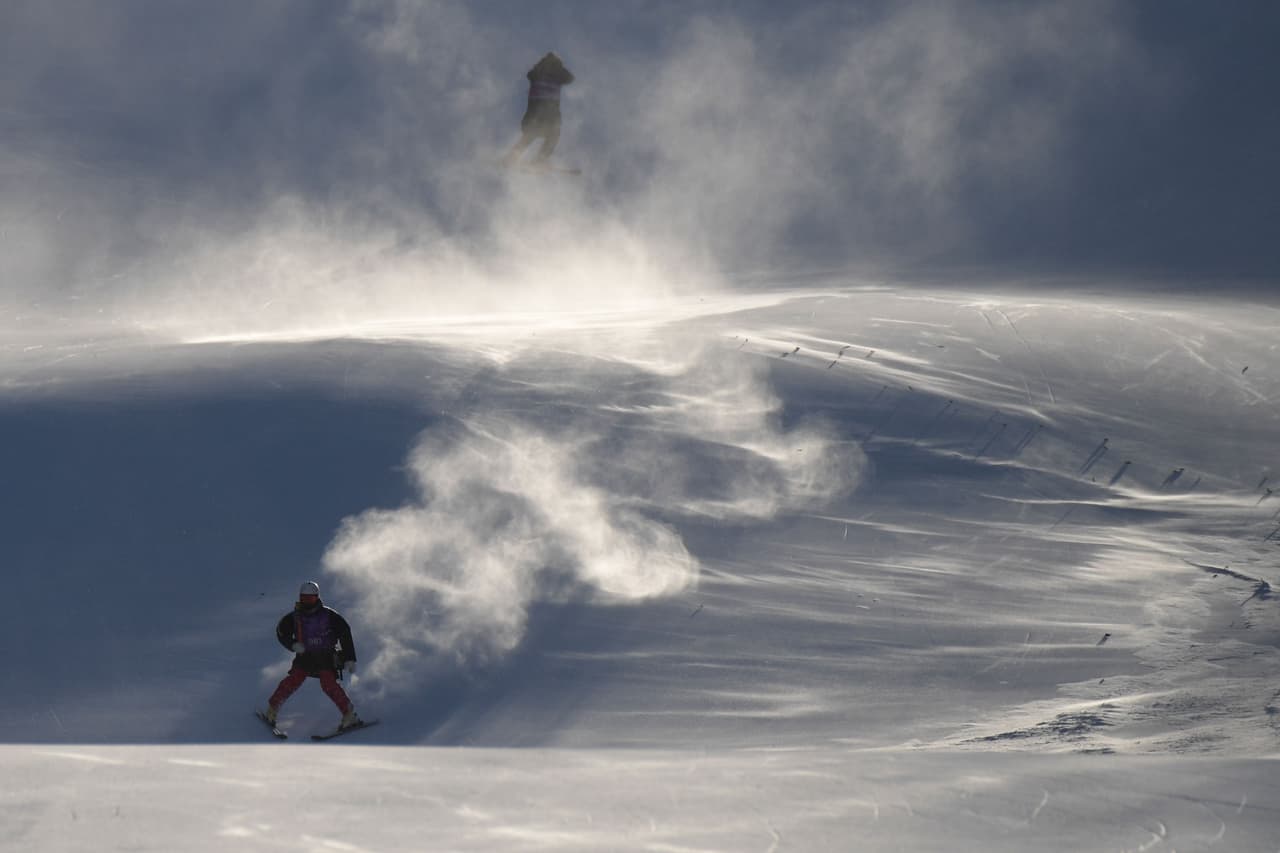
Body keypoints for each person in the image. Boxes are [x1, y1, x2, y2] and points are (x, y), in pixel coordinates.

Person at [262, 581, 362, 729]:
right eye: (304, 599)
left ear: (317, 597)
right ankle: (272, 710)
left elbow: (344, 632)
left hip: (326, 657)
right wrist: (293, 644)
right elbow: (281, 631)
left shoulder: (329, 615)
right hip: (305, 657)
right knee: (293, 680)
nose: (307, 602)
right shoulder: (295, 617)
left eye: (311, 599)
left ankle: (349, 715)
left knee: (329, 684)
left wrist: (349, 658)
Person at [504, 52, 575, 167]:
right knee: (552, 136)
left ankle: (512, 157)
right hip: (547, 120)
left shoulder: (536, 75)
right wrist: (559, 67)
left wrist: (540, 65)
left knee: (529, 137)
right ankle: (539, 161)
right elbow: (570, 78)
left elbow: (531, 74)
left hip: (532, 119)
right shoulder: (557, 78)